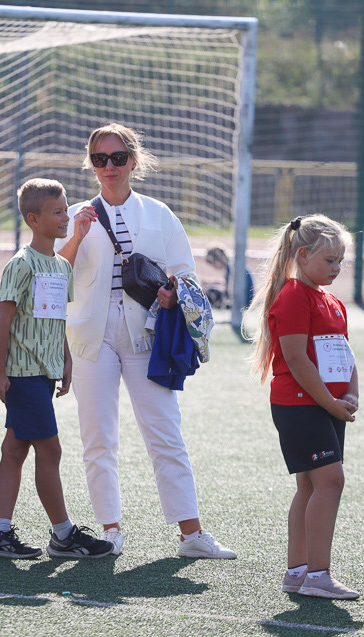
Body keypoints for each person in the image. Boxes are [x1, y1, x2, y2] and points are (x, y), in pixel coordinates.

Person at [56, 123, 235, 559]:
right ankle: (111, 529)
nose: (109, 167)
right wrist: (77, 235)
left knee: (164, 430)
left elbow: (186, 274)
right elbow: (51, 275)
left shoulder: (158, 213)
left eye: (118, 158)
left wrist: (174, 292)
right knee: (98, 436)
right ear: (91, 164)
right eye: (100, 159)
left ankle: (191, 534)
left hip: (146, 335)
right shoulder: (77, 213)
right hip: (90, 337)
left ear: (134, 161)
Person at [0, 179, 113, 560]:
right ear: (33, 218)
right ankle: (63, 535)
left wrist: (66, 359)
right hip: (21, 375)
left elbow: (56, 318)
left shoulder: (60, 266)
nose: (65, 217)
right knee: (50, 450)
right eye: (58, 212)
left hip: (45, 372)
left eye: (66, 209)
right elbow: (4, 319)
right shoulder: (20, 264)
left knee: (14, 450)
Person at [248, 215, 360, 600]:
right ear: (303, 255)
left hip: (325, 406)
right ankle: (317, 575)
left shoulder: (332, 301)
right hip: (300, 405)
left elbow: (345, 354)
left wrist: (351, 394)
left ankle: (297, 572)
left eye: (340, 261)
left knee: (311, 484)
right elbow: (296, 359)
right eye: (329, 260)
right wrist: (329, 401)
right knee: (331, 481)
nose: (336, 268)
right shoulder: (294, 295)